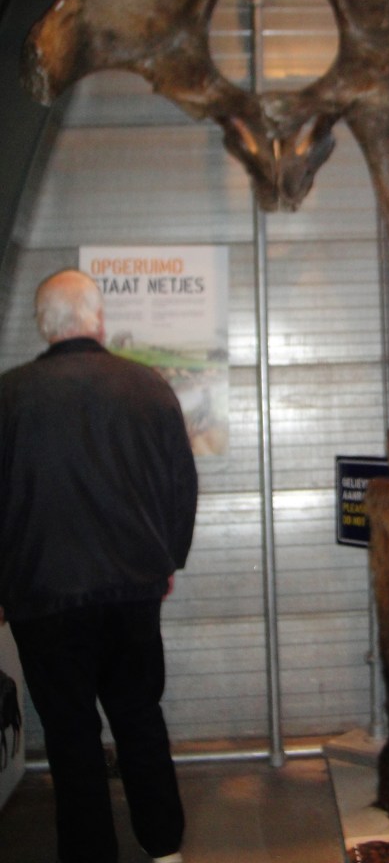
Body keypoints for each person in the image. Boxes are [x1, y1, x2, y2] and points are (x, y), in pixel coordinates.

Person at [0, 269, 198, 863]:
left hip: (42, 599)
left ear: (42, 325)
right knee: (140, 719)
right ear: (99, 319)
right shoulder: (149, 387)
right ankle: (164, 848)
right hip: (131, 593)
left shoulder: (7, 398)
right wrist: (167, 562)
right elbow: (180, 489)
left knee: (70, 736)